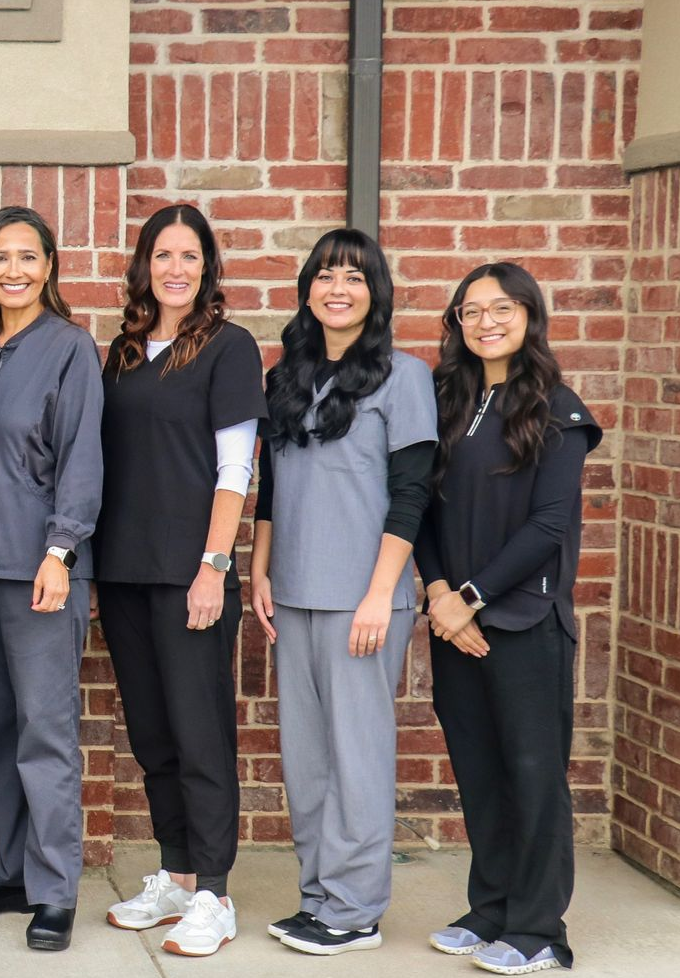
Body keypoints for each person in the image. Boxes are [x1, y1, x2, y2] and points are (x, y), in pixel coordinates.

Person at [251, 228, 437, 956]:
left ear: (375, 292)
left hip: (364, 598)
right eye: (326, 275)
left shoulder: (406, 375)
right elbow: (271, 487)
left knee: (358, 758)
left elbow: (412, 494)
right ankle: (318, 898)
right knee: (307, 759)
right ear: (307, 290)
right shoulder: (286, 377)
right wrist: (259, 570)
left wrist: (379, 594)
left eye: (354, 278)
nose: (338, 288)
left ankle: (355, 910)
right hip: (292, 593)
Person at [415, 264, 600, 976]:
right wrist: (439, 594)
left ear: (529, 314)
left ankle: (539, 928)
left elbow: (550, 525)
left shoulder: (556, 407)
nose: (486, 321)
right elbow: (421, 506)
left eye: (502, 307)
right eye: (470, 310)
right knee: (480, 773)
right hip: (454, 620)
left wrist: (472, 597)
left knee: (532, 774)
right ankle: (490, 907)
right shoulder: (449, 401)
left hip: (523, 621)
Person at [94, 204, 264, 957]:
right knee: (152, 735)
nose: (175, 269)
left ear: (207, 268)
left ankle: (215, 893)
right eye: (162, 255)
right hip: (125, 571)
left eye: (189, 256)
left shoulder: (229, 349)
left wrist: (213, 567)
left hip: (191, 575)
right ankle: (175, 874)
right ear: (145, 266)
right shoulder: (125, 351)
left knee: (200, 737)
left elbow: (237, 470)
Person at [0, 205, 103, 953]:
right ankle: (10, 869)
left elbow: (82, 460)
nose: (14, 271)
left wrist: (61, 551)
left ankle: (55, 889)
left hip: (40, 569)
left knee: (46, 733)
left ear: (49, 266)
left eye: (28, 258)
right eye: (0, 258)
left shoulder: (69, 347)